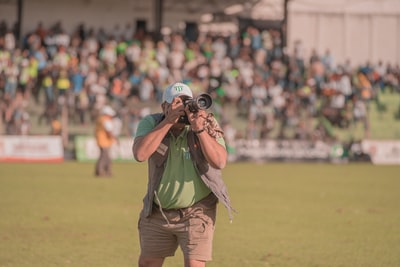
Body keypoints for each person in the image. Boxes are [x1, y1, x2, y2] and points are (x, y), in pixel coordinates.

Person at [132, 82, 235, 267]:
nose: (182, 108)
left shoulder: (205, 121)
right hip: (159, 211)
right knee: (147, 263)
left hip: (197, 211)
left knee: (194, 264)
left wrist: (199, 129)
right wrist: (168, 121)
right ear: (165, 106)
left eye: (185, 102)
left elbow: (220, 161)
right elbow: (140, 154)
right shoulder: (152, 123)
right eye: (176, 103)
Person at [94, 105, 116, 177]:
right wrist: (113, 138)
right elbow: (108, 130)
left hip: (100, 140)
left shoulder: (100, 119)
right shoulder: (106, 120)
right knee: (105, 157)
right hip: (104, 141)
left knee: (103, 157)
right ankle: (102, 172)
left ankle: (102, 171)